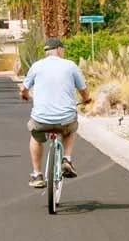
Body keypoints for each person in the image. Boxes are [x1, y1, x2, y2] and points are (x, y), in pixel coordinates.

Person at [19, 37, 88, 189]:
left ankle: (37, 174)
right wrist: (87, 99)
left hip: (41, 120)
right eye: (63, 49)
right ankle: (67, 159)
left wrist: (24, 95)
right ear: (59, 49)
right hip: (65, 120)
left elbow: (24, 89)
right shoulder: (70, 66)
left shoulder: (36, 66)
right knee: (71, 128)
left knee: (35, 136)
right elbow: (83, 90)